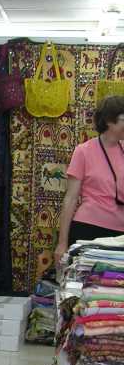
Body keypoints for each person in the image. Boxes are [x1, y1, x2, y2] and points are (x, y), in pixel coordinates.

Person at [55, 95, 124, 265]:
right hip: (88, 229)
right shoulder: (83, 151)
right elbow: (70, 198)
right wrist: (62, 243)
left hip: (120, 235)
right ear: (109, 121)